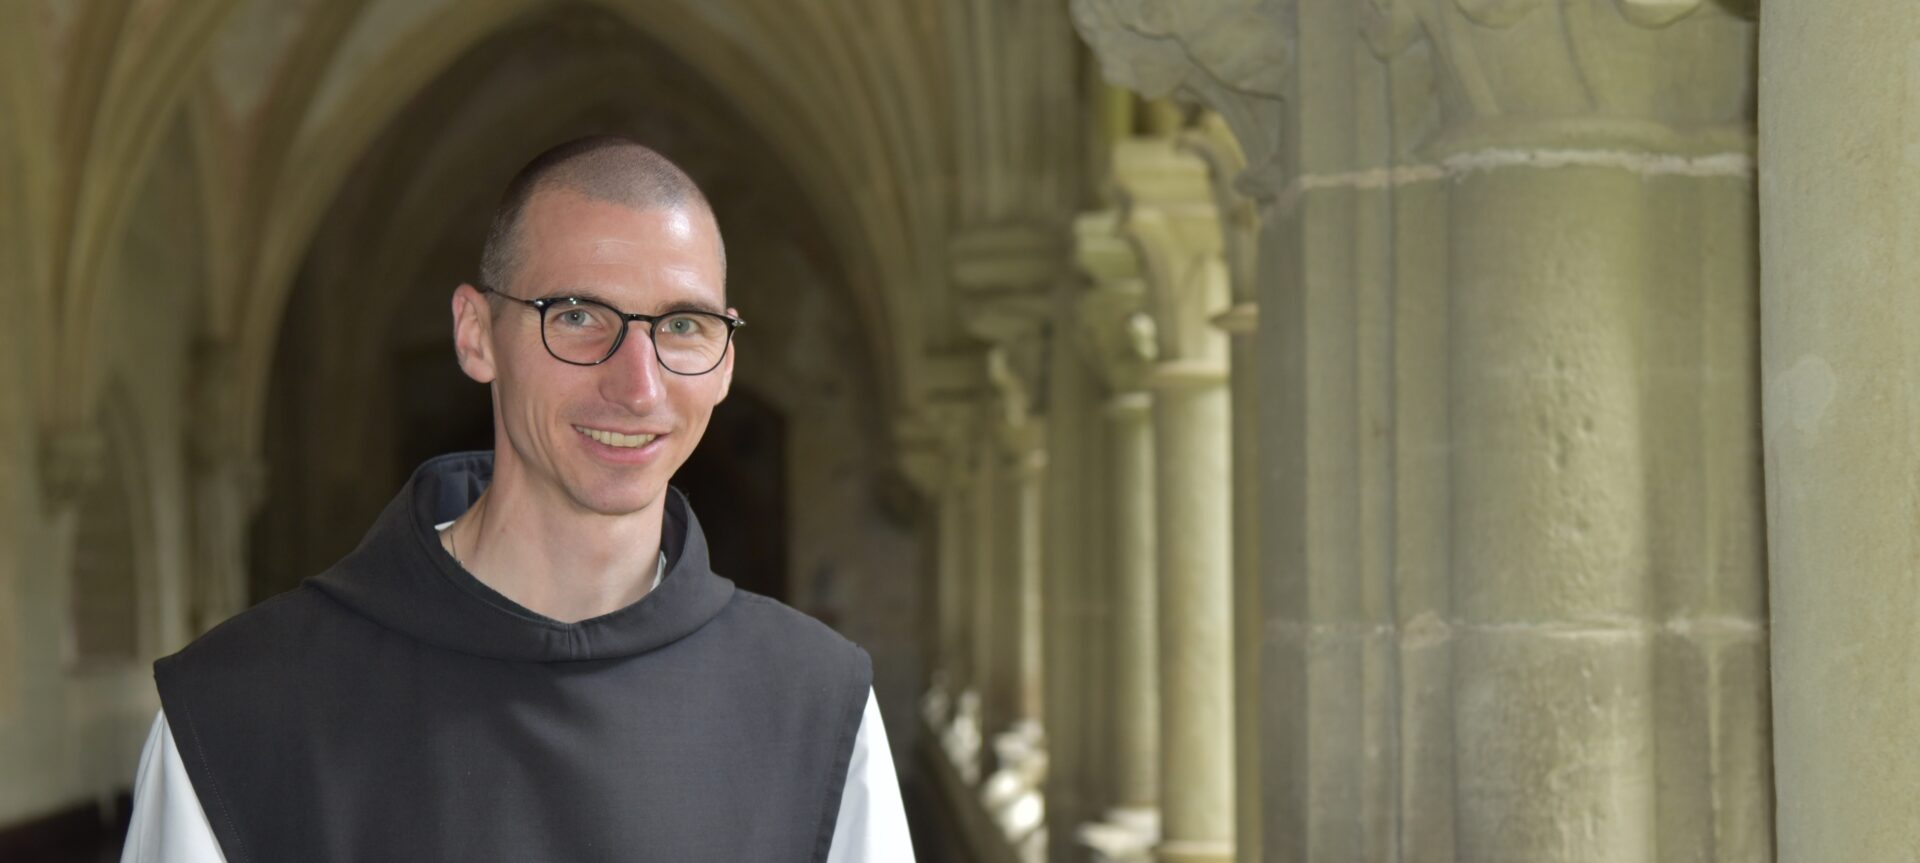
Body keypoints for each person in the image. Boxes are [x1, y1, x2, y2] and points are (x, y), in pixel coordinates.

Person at [119, 136, 914, 862]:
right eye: (575, 315)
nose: (638, 387)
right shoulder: (238, 714)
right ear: (475, 334)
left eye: (683, 326)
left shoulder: (820, 710)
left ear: (727, 356)